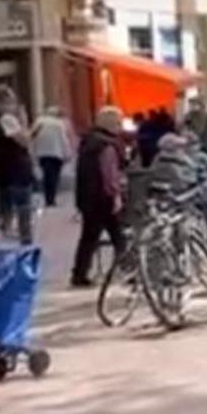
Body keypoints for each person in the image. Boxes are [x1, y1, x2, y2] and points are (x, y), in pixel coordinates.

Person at [71, 107, 127, 286]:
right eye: (118, 122)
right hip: (103, 198)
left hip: (88, 197)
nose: (120, 126)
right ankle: (130, 270)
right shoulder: (107, 145)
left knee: (89, 238)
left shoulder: (89, 141)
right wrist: (116, 196)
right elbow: (109, 174)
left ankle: (79, 273)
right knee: (118, 237)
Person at [0, 113, 35, 244]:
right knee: (23, 210)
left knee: (6, 212)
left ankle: (7, 236)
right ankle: (24, 239)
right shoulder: (13, 139)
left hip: (5, 179)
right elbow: (24, 140)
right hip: (18, 178)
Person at [31, 106, 72, 208]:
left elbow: (33, 137)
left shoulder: (39, 122)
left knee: (46, 175)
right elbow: (63, 139)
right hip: (56, 153)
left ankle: (48, 197)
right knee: (54, 176)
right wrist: (67, 153)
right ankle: (52, 198)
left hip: (42, 152)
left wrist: (33, 152)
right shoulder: (59, 124)